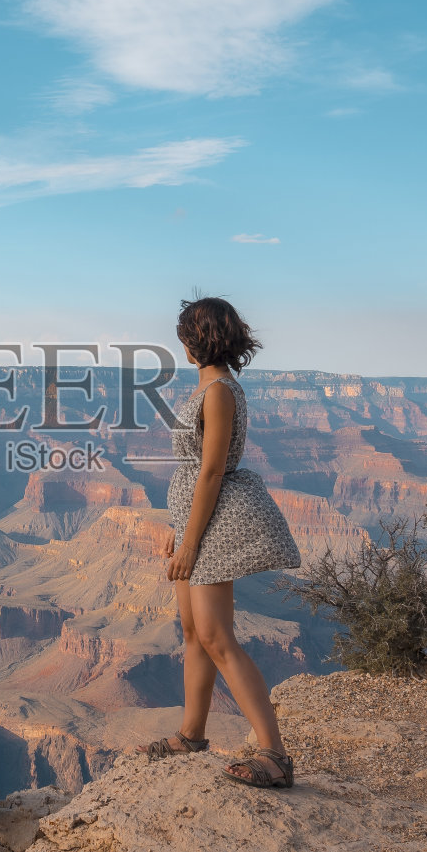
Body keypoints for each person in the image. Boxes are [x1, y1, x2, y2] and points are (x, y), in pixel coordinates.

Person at [137, 295, 302, 788]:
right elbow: (195, 476)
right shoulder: (211, 388)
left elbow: (211, 470)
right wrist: (178, 526)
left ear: (197, 341)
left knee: (216, 636)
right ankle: (191, 734)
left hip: (213, 526)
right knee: (193, 633)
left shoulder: (219, 392)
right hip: (195, 517)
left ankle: (274, 753)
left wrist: (190, 542)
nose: (183, 344)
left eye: (186, 335)